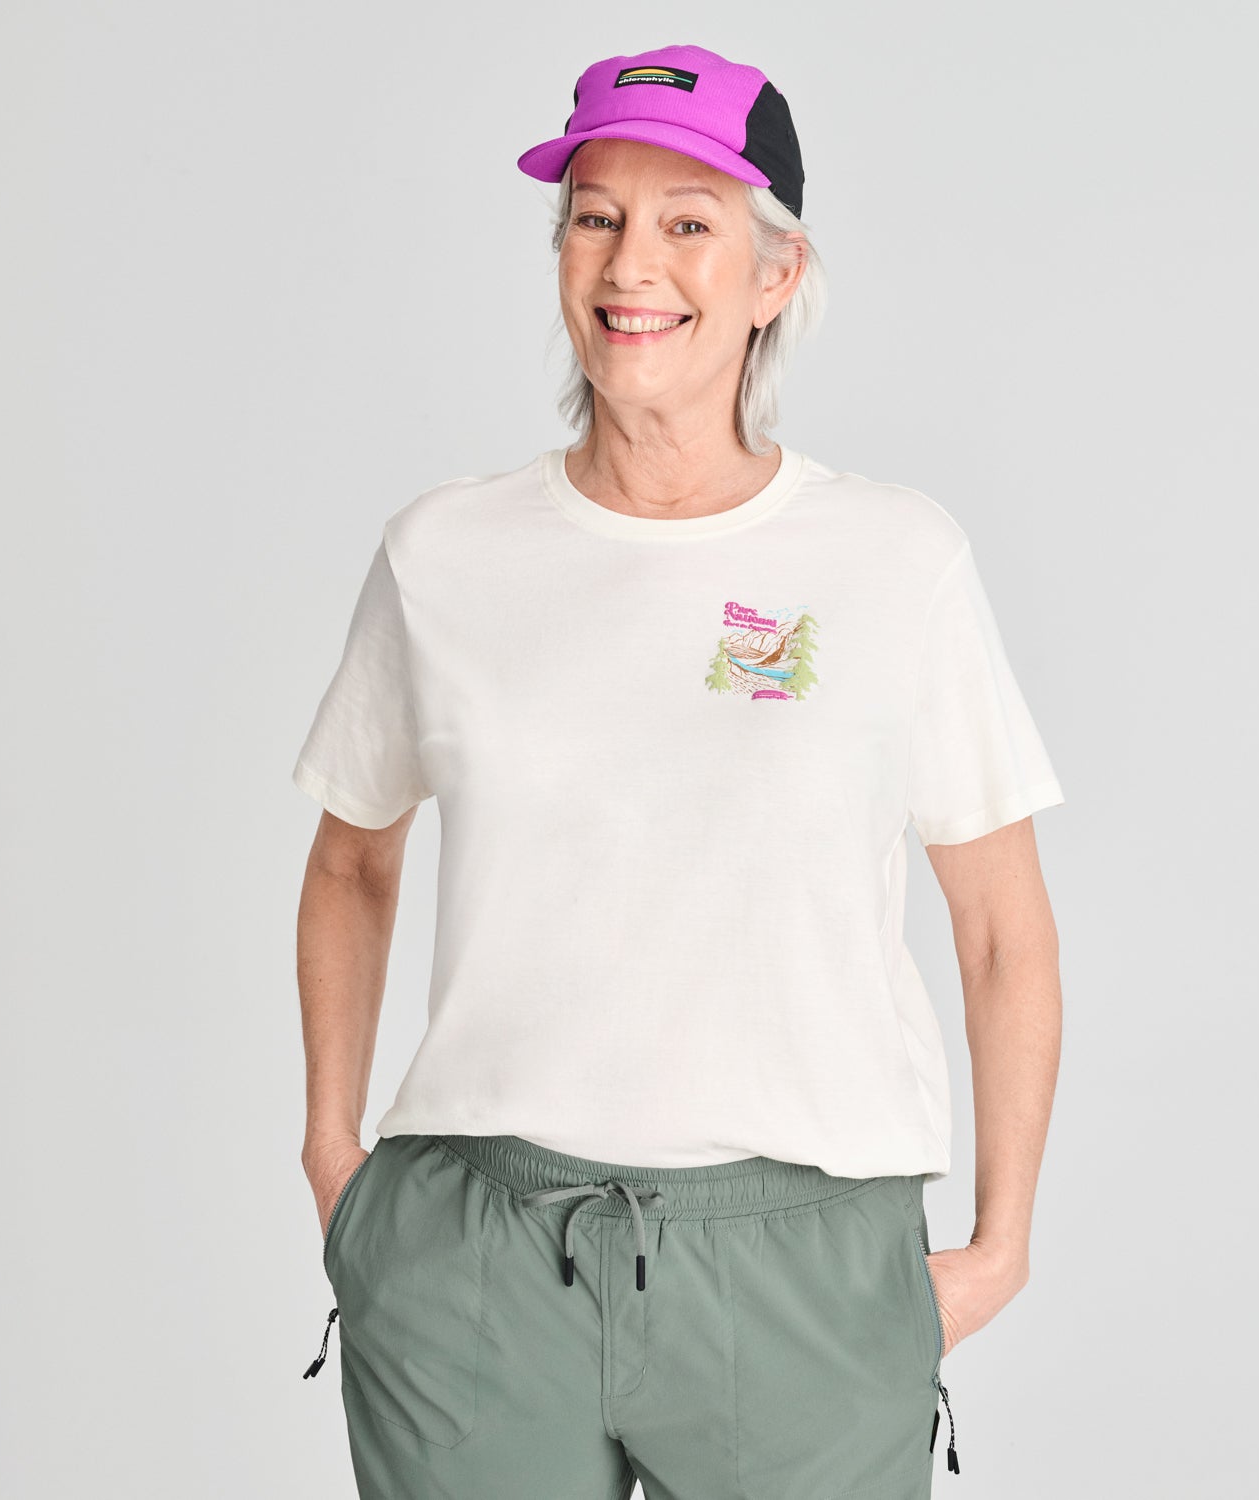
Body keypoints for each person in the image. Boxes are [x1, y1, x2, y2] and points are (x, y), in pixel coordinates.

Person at [294, 42, 1064, 1499]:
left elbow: (1001, 930)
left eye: (687, 222)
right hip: (476, 1257)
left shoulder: (893, 560)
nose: (630, 263)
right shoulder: (444, 555)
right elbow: (350, 860)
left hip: (802, 1264)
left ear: (775, 274)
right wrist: (337, 1162)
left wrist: (1001, 1241)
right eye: (594, 216)